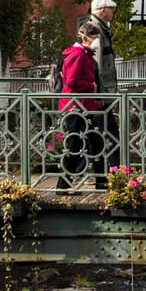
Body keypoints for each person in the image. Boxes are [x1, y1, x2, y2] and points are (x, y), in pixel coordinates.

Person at [57, 23, 103, 188]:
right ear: (85, 38)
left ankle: (101, 180)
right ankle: (63, 185)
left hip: (81, 105)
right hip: (76, 106)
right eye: (95, 38)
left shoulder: (81, 54)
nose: (96, 41)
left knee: (95, 141)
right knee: (75, 144)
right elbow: (72, 81)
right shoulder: (78, 55)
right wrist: (91, 87)